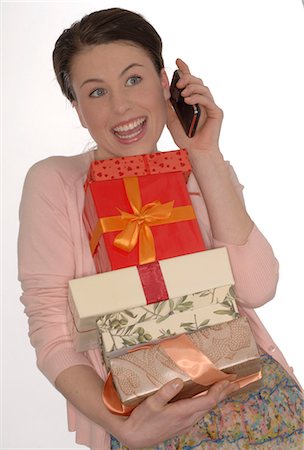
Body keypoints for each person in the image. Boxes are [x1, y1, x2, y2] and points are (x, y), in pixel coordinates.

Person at [18, 7, 303, 450]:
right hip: (148, 419)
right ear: (77, 110)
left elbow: (256, 288)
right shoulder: (56, 181)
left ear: (164, 84)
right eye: (96, 92)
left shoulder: (199, 170)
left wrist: (204, 154)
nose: (121, 107)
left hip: (259, 404)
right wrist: (126, 428)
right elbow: (52, 328)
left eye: (134, 79)